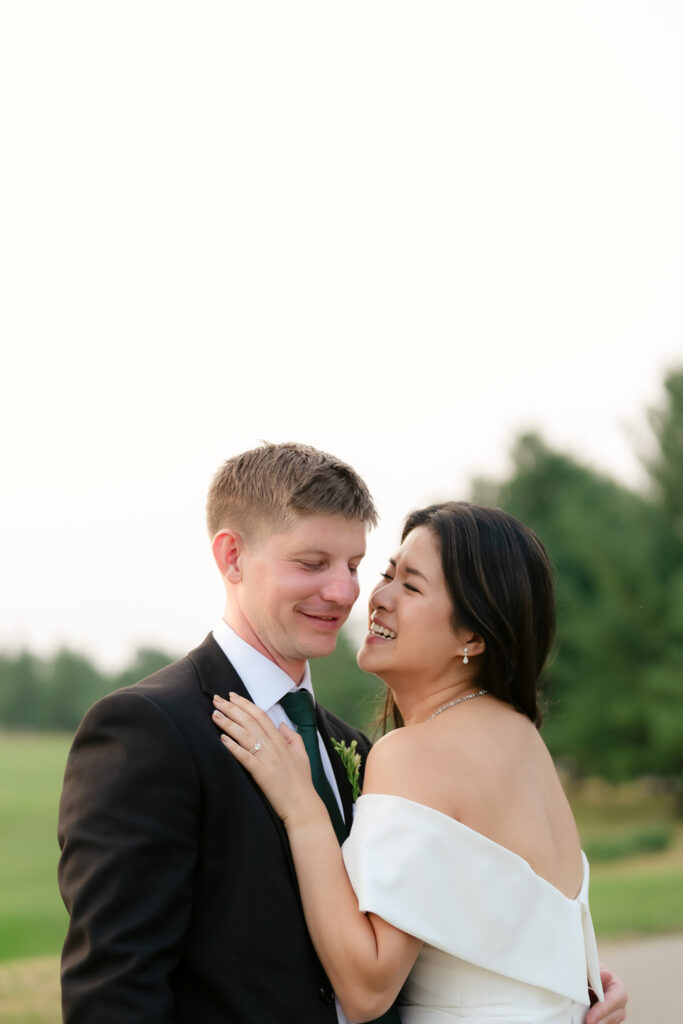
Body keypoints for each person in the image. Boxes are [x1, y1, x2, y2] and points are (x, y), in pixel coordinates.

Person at [58, 444, 627, 1023]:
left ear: (473, 636)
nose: (347, 593)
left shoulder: (361, 750)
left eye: (354, 565)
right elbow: (114, 988)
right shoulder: (147, 730)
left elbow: (399, 960)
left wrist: (566, 993)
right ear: (232, 558)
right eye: (312, 564)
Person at [211, 500, 628, 1024]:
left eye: (410, 586)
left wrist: (303, 808)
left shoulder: (414, 753)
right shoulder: (523, 738)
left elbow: (367, 989)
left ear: (472, 637)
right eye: (386, 574)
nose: (375, 598)